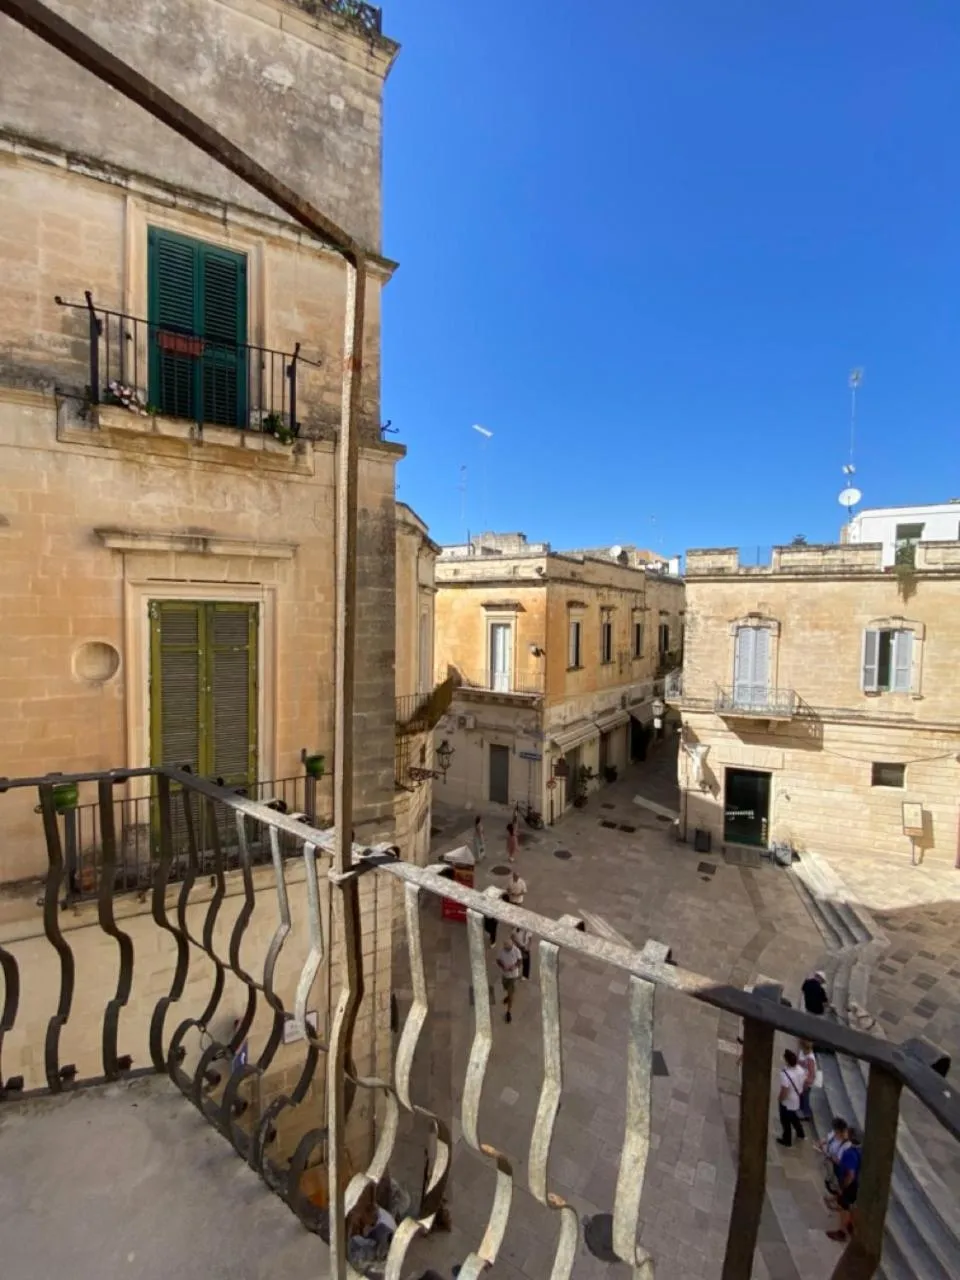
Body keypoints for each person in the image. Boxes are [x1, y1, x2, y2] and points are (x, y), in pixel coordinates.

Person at [826, 1129, 861, 1242]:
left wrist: (843, 1187)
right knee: (850, 1205)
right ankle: (850, 1225)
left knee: (844, 1207)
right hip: (858, 1183)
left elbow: (850, 1174)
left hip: (851, 1184)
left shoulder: (850, 1153)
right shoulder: (860, 1150)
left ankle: (842, 1232)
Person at [776, 1048, 807, 1148]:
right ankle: (800, 1133)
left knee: (785, 1120)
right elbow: (804, 1082)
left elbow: (785, 1090)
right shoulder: (801, 1070)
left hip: (788, 1100)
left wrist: (780, 1099)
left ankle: (787, 1139)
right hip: (797, 1097)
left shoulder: (785, 1074)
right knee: (793, 1116)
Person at [816, 1116, 851, 1195]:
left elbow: (839, 1161)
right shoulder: (834, 1133)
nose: (834, 1133)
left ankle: (836, 1193)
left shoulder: (846, 1145)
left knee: (836, 1183)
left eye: (836, 1131)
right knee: (829, 1174)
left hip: (838, 1167)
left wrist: (826, 1153)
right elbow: (827, 1139)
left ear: (841, 1131)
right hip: (829, 1160)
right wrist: (820, 1142)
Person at [496, 935, 523, 1023]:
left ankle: (508, 1012)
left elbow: (520, 961)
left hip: (513, 976)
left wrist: (514, 967)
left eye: (509, 949)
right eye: (506, 948)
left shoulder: (516, 951)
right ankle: (509, 995)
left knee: (511, 994)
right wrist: (502, 966)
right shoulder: (501, 951)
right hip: (505, 975)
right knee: (506, 987)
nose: (507, 950)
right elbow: (498, 961)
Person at [797, 1038, 818, 1121]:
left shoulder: (810, 1059)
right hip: (802, 1080)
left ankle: (807, 1114)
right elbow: (801, 1062)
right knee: (801, 1097)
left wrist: (806, 1082)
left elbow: (812, 1074)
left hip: (806, 1083)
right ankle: (801, 1111)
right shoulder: (803, 1053)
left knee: (805, 1098)